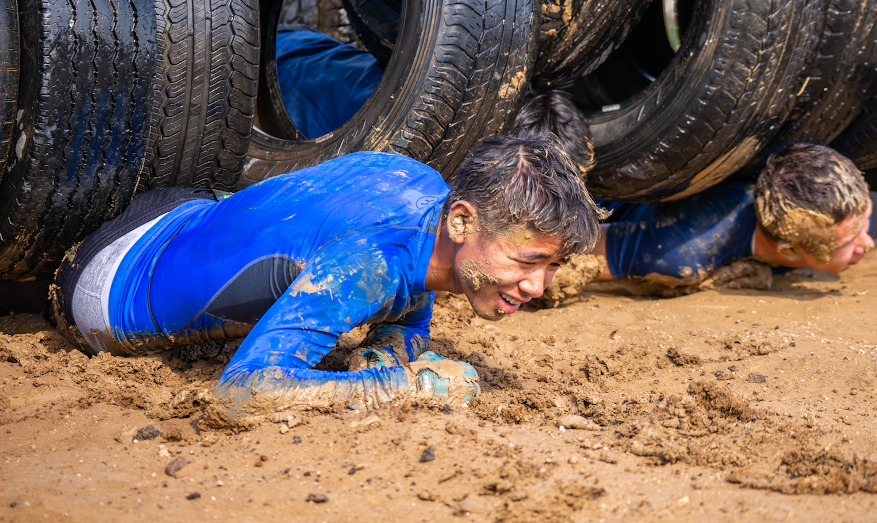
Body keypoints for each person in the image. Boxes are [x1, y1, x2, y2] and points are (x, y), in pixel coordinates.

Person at [51, 132, 604, 423]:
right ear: (462, 220)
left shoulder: (421, 188)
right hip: (104, 286)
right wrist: (399, 387)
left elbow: (408, 296)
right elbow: (242, 394)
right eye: (527, 261)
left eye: (552, 266)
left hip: (184, 212)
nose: (537, 287)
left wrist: (394, 347)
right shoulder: (368, 266)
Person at [510, 91, 875, 297]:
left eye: (864, 223)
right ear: (789, 252)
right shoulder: (679, 253)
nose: (868, 243)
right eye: (851, 240)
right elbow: (558, 254)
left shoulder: (797, 191)